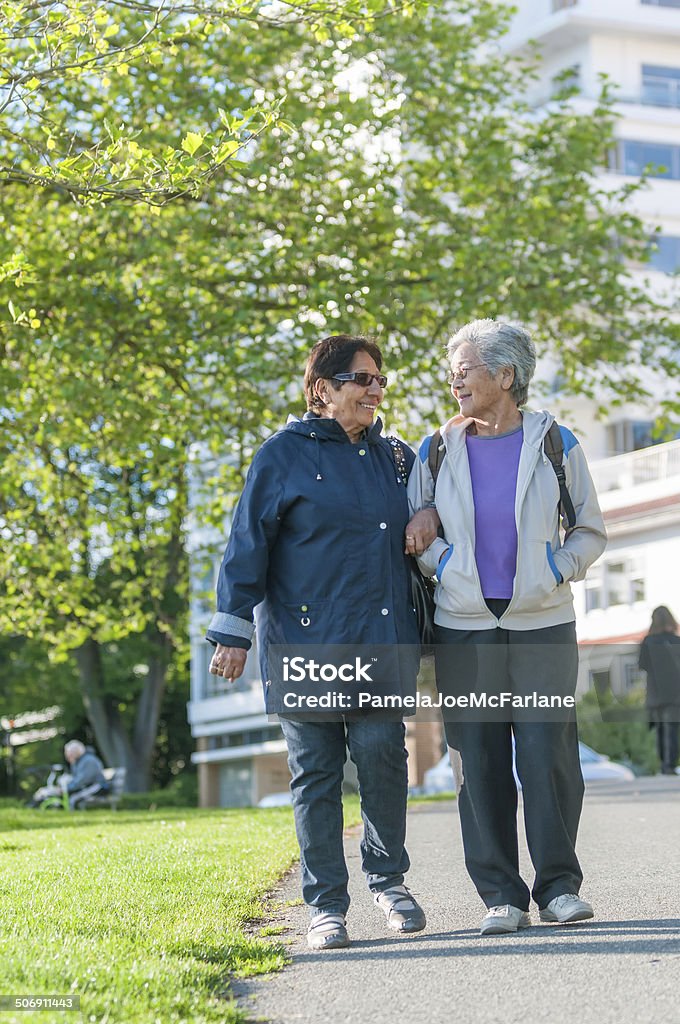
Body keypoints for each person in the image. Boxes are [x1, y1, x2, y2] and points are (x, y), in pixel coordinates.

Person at [206, 334, 437, 950]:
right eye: (362, 379)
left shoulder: (396, 457)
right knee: (316, 774)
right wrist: (232, 630)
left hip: (381, 636)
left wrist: (428, 516)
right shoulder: (281, 455)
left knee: (385, 760)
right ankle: (325, 905)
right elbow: (246, 546)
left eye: (379, 379)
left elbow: (437, 510)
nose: (375, 389)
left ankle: (388, 882)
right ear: (322, 390)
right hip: (306, 641)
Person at [408, 318, 607, 936]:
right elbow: (415, 527)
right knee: (479, 762)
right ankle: (499, 895)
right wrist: (444, 564)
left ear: (505, 375)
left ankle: (558, 888)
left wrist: (556, 568)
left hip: (543, 623)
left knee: (549, 757)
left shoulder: (557, 442)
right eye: (453, 371)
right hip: (464, 626)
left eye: (465, 370)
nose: (455, 380)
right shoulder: (436, 448)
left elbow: (591, 530)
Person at [639, 606, 680, 775]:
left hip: (655, 694)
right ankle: (669, 765)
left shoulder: (648, 642)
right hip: (675, 694)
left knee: (660, 730)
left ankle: (664, 763)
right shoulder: (677, 641)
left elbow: (642, 665)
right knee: (672, 729)